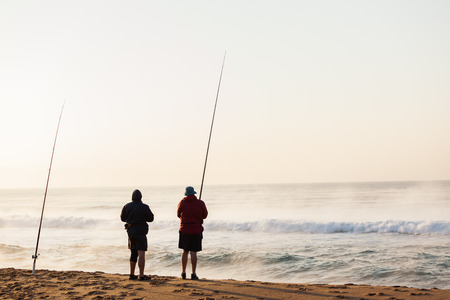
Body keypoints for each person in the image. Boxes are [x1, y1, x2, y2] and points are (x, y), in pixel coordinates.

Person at [121, 189, 154, 280]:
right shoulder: (144, 207)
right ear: (141, 197)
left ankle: (132, 274)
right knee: (141, 253)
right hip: (141, 231)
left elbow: (122, 218)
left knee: (133, 252)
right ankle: (141, 275)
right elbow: (151, 219)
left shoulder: (127, 206)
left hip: (131, 231)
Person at [177, 186, 208, 280]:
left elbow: (178, 214)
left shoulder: (182, 202)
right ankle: (193, 273)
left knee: (185, 251)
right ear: (194, 193)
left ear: (186, 194)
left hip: (185, 230)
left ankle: (183, 272)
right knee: (193, 252)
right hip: (196, 230)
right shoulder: (200, 203)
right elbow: (205, 215)